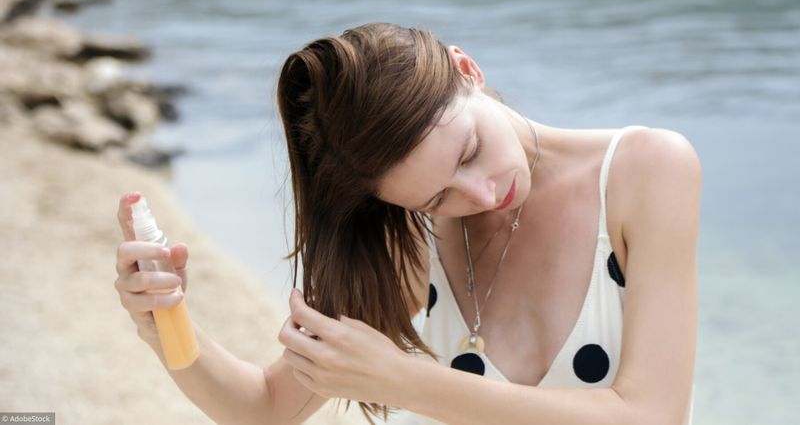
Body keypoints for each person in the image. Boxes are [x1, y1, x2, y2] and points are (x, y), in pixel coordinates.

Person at [114, 22, 700, 424]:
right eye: (439, 196)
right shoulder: (410, 239)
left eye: (469, 151)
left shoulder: (644, 171)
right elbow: (266, 407)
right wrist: (164, 322)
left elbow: (650, 414)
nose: (485, 193)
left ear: (465, 68)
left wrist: (399, 379)